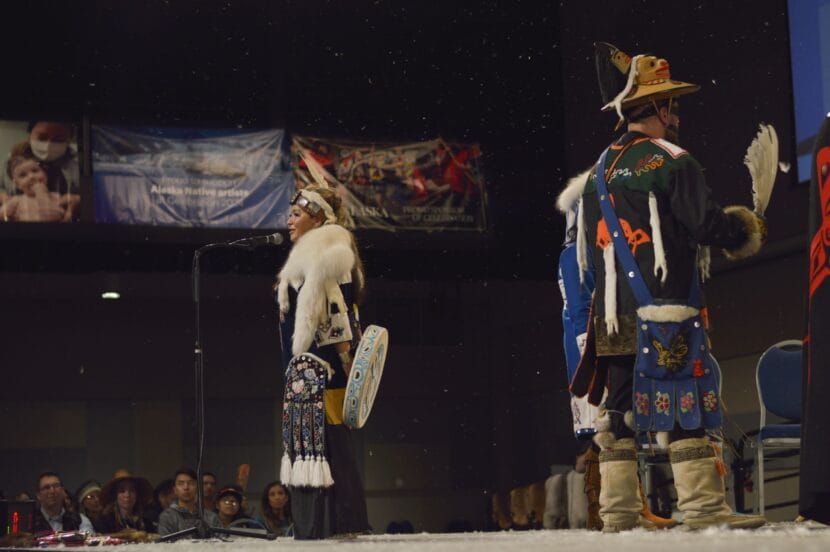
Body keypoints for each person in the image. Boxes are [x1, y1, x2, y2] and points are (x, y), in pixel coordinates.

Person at [569, 43, 768, 531]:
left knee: (618, 413)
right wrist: (745, 229)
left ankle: (618, 513)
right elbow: (704, 225)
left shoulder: (598, 173)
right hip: (664, 310)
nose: (676, 116)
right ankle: (703, 509)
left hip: (612, 315)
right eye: (671, 106)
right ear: (656, 108)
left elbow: (589, 254)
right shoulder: (673, 161)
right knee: (684, 407)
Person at [275, 185, 370, 539]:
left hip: (323, 374)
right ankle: (324, 527)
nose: (289, 220)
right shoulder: (314, 254)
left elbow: (339, 321)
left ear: (318, 219)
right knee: (317, 451)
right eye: (290, 214)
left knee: (328, 450)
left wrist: (343, 359)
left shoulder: (330, 255)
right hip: (307, 373)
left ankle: (333, 528)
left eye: (297, 214)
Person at [2, 155, 77, 222]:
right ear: (18, 185)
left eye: (35, 171)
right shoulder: (17, 201)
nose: (31, 176)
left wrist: (68, 213)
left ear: (45, 175)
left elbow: (53, 216)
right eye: (23, 175)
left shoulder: (55, 196)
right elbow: (2, 214)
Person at [156, 468, 221, 536]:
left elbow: (222, 540)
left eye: (191, 483)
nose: (186, 487)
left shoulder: (211, 517)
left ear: (198, 488)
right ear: (175, 490)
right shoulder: (167, 516)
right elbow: (165, 541)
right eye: (181, 484)